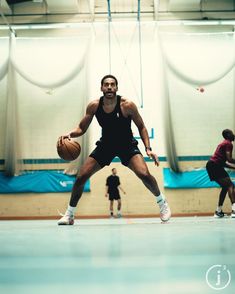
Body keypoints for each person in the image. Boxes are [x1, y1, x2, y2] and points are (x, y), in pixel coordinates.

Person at [57, 74, 171, 225]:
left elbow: (141, 126)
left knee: (144, 174)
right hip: (106, 145)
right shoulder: (94, 106)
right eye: (106, 84)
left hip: (127, 145)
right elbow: (81, 128)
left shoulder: (127, 105)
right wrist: (70, 134)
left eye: (112, 84)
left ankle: (162, 203)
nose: (109, 87)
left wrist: (148, 149)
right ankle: (69, 215)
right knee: (81, 177)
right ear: (101, 88)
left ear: (117, 88)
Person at [206, 129, 235, 218]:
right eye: (231, 133)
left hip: (212, 165)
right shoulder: (228, 143)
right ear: (228, 135)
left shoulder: (223, 143)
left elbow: (223, 162)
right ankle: (234, 210)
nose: (233, 134)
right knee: (230, 185)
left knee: (226, 187)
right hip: (215, 166)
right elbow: (229, 159)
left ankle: (218, 211)